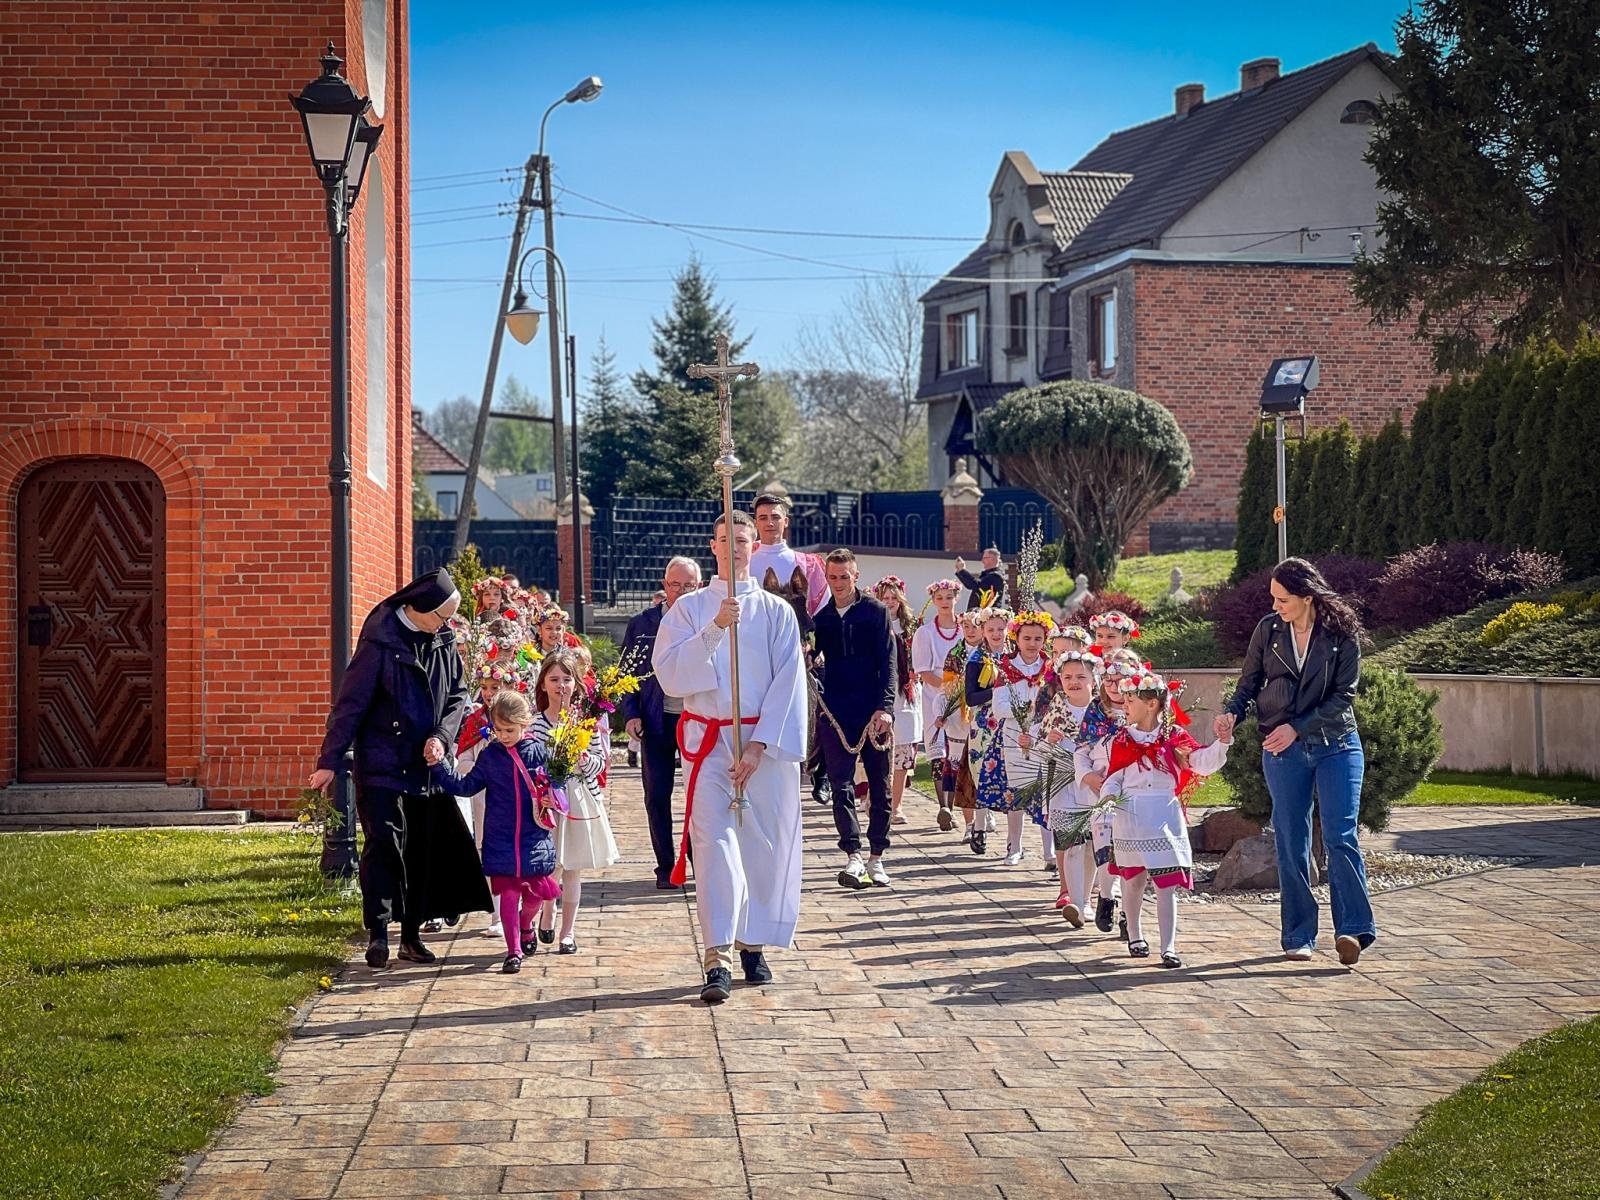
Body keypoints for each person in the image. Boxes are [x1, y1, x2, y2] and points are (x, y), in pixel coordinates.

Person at [654, 511, 808, 1004]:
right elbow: (671, 674)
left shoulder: (777, 612)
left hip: (762, 746)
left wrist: (760, 744)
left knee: (762, 848)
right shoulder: (690, 610)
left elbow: (790, 682)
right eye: (727, 540)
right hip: (709, 744)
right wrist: (716, 628)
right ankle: (716, 953)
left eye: (743, 540)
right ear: (714, 546)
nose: (736, 547)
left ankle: (752, 943)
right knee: (715, 845)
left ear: (753, 544)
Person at [309, 568, 490, 970]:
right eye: (443, 615)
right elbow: (350, 704)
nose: (448, 625)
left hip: (427, 764)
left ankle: (410, 936)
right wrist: (329, 761)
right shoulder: (381, 641)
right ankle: (377, 933)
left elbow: (458, 693)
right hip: (383, 765)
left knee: (419, 852)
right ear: (419, 607)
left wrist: (442, 737)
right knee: (385, 847)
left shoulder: (441, 637)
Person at [1218, 556, 1373, 967]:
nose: (1275, 607)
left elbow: (1344, 697)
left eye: (1283, 599)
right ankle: (1299, 935)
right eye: (1274, 599)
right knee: (1291, 842)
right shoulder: (1269, 631)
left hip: (1337, 744)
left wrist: (1298, 727)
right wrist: (1231, 713)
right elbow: (1249, 682)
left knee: (1341, 838)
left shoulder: (1341, 635)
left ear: (1307, 597)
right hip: (1282, 751)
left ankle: (1352, 930)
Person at [1102, 668, 1232, 968]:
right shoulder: (1122, 739)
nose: (1125, 706)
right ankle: (1135, 935)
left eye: (1130, 700)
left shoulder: (1174, 737)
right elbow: (1114, 776)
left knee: (1166, 883)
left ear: (1151, 704)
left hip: (1164, 813)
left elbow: (1201, 762)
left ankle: (1168, 946)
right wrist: (1108, 798)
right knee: (1132, 880)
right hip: (1131, 814)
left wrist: (1221, 743)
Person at [427, 690, 560, 974]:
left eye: (510, 730)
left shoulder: (539, 752)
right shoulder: (490, 756)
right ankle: (513, 951)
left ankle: (527, 925)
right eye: (498, 730)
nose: (504, 736)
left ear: (525, 724)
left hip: (533, 835)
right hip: (500, 836)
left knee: (537, 895)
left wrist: (550, 797)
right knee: (508, 896)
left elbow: (556, 787)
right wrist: (440, 767)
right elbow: (465, 785)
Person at [813, 548, 897, 890]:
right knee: (840, 784)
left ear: (856, 576)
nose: (838, 584)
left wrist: (886, 707)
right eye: (832, 578)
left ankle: (877, 855)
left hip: (872, 710)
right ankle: (853, 853)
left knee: (879, 786)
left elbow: (888, 663)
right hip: (835, 713)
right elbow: (812, 656)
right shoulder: (821, 618)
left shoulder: (875, 612)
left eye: (844, 577)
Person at [621, 556, 702, 888]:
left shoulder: (709, 619)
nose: (681, 592)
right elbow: (626, 674)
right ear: (664, 585)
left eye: (689, 586)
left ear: (700, 587)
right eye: (675, 585)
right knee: (657, 794)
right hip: (656, 721)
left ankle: (700, 859)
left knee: (701, 795)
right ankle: (666, 867)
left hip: (697, 721)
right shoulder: (643, 624)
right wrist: (631, 713)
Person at [530, 650, 618, 955]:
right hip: (547, 801)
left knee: (573, 868)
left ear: (575, 684)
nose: (561, 686)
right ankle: (547, 912)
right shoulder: (536, 723)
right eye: (554, 679)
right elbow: (531, 762)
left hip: (578, 798)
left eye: (566, 679)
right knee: (549, 866)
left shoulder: (585, 722)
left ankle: (568, 932)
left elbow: (598, 761)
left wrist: (583, 760)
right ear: (543, 684)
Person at [972, 609, 1053, 866]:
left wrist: (1038, 713)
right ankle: (1014, 846)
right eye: (1026, 638)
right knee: (1015, 793)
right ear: (1016, 638)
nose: (1032, 644)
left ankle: (1049, 851)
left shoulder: (1051, 668)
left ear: (1044, 640)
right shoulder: (1006, 667)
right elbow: (999, 706)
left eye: (1037, 638)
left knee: (1047, 793)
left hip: (1044, 736)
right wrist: (1027, 709)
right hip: (1013, 736)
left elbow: (1055, 704)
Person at [1075, 647, 1140, 938]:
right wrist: (1087, 775)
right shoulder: (1095, 711)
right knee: (1103, 840)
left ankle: (1129, 913)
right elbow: (1082, 750)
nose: (1114, 687)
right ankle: (1106, 894)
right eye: (1109, 680)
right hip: (1101, 786)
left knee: (1130, 851)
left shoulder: (1144, 708)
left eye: (1121, 680)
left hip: (1135, 785)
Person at [1036, 646, 1099, 926]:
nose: (1074, 682)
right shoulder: (1054, 710)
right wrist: (1048, 741)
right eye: (1068, 676)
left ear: (1093, 680)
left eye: (1081, 677)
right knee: (1071, 844)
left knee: (1091, 846)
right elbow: (1038, 749)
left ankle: (1086, 898)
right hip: (1063, 785)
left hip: (1094, 784)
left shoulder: (1102, 711)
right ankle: (1076, 901)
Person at [871, 575, 924, 828]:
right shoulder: (872, 624)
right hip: (880, 693)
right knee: (879, 749)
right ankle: (877, 798)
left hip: (906, 693)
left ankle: (897, 804)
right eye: (885, 598)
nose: (890, 602)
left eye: (894, 598)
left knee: (903, 750)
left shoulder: (911, 627)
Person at [912, 578, 964, 831]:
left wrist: (963, 689)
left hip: (963, 698)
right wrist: (948, 687)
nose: (945, 602)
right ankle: (942, 804)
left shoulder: (965, 628)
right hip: (935, 695)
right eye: (939, 598)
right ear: (933, 600)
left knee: (957, 751)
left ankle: (952, 807)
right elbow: (923, 670)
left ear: (956, 598)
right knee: (937, 750)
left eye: (949, 597)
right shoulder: (926, 633)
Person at [962, 608, 1010, 855]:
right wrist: (998, 690)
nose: (996, 634)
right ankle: (979, 827)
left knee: (1012, 776)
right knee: (981, 773)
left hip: (1011, 722)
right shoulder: (978, 660)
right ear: (982, 631)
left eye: (1000, 629)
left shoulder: (1015, 656)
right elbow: (970, 697)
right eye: (990, 629)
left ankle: (1014, 840)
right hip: (984, 725)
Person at [749, 491, 828, 614]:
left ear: (786, 521)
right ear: (756, 523)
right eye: (763, 518)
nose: (770, 523)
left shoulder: (808, 564)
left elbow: (823, 609)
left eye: (775, 517)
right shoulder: (743, 560)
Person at [954, 546, 1006, 612]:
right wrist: (960, 571)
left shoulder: (995, 575)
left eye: (985, 558)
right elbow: (970, 586)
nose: (982, 561)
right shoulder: (988, 574)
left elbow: (976, 585)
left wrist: (962, 570)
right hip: (980, 613)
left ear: (993, 559)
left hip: (988, 614)